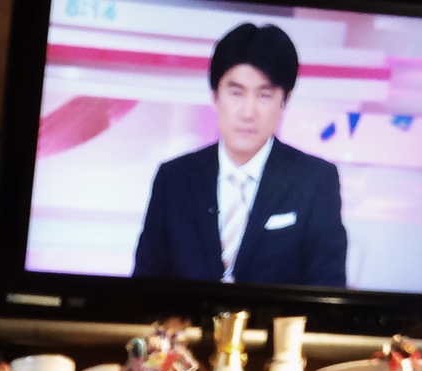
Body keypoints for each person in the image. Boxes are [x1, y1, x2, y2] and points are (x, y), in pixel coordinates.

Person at [133, 22, 347, 287]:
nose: (248, 112)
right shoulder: (174, 177)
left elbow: (328, 286)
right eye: (236, 93)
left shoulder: (315, 180)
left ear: (285, 100)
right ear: (215, 96)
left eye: (264, 95)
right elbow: (143, 284)